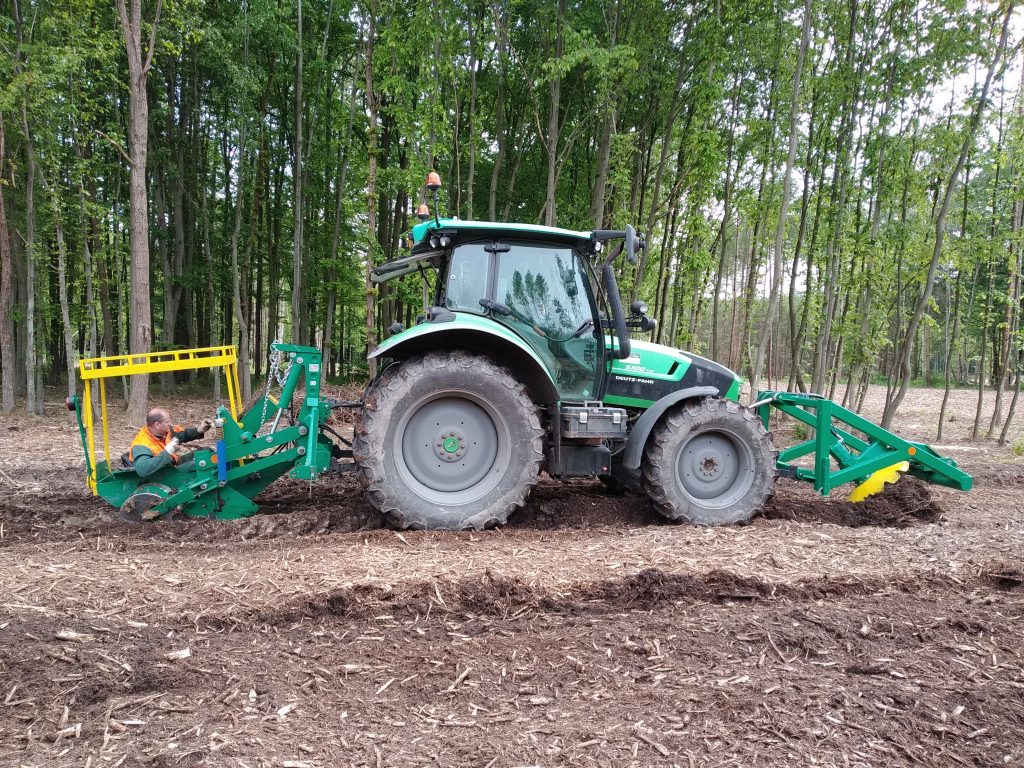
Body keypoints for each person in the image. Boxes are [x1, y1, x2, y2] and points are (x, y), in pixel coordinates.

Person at [127, 408, 213, 479]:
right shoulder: (141, 444)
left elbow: (182, 434)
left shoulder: (164, 431)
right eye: (167, 422)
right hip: (162, 475)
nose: (169, 424)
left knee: (207, 452)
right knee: (201, 463)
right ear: (157, 424)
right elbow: (143, 469)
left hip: (173, 464)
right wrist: (167, 452)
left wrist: (198, 430)